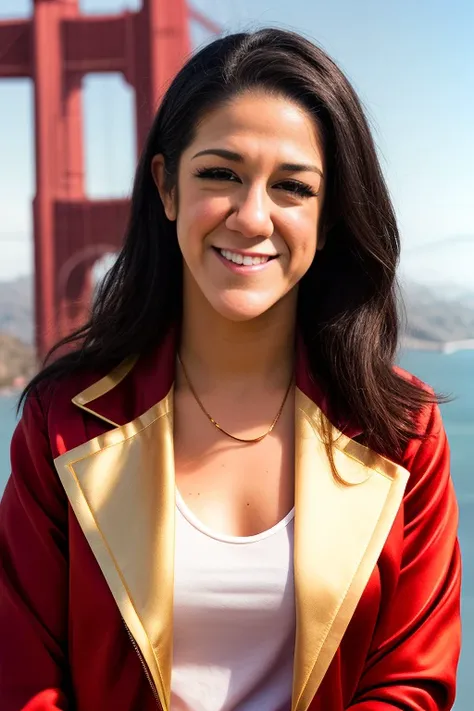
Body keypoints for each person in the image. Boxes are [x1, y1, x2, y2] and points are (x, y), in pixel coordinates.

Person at [0, 28, 461, 711]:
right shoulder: (61, 423)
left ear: (328, 216)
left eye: (293, 188)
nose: (252, 217)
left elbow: (409, 683)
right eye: (220, 174)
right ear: (166, 186)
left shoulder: (403, 431)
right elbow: (22, 676)